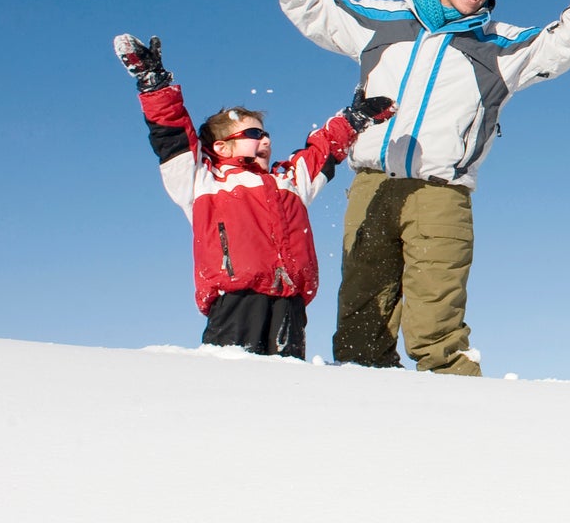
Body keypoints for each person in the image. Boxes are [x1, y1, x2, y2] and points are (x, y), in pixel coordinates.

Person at [253, 0, 570, 375]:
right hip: (371, 188)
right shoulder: (384, 23)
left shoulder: (497, 46)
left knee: (437, 335)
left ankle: (462, 440)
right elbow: (309, 6)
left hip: (441, 194)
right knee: (360, 332)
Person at [113, 33, 392, 358]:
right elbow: (171, 133)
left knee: (285, 386)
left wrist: (353, 119)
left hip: (289, 301)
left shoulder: (289, 182)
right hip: (235, 300)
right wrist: (155, 86)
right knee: (233, 384)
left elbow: (322, 150)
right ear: (221, 146)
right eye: (253, 133)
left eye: (266, 133)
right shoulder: (202, 181)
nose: (266, 140)